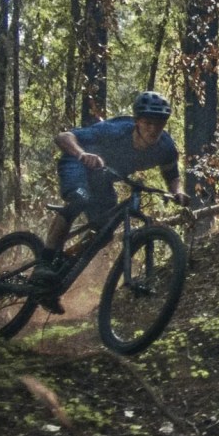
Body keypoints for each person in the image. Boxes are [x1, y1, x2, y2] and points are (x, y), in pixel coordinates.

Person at [33, 91, 185, 307]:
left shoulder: (165, 147)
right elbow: (63, 137)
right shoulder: (115, 131)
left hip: (103, 179)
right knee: (79, 198)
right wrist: (82, 154)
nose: (153, 129)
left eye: (159, 124)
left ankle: (60, 272)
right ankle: (45, 262)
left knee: (103, 234)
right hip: (77, 162)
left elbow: (172, 175)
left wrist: (178, 191)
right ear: (137, 122)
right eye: (148, 123)